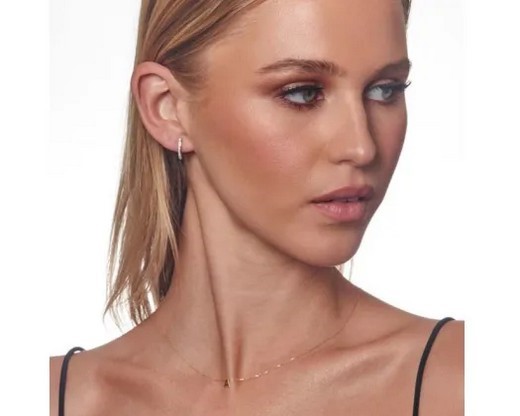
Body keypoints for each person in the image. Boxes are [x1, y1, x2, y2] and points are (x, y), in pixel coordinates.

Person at [50, 0, 464, 414]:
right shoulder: (53, 398)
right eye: (302, 93)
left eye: (385, 90)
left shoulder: (461, 381)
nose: (361, 147)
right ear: (168, 107)